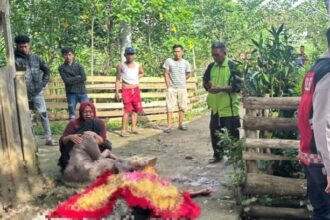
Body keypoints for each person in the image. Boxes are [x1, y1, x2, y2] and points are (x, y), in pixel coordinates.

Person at [58, 102, 155, 182]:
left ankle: (133, 164)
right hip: (78, 161)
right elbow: (99, 158)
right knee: (109, 163)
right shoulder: (76, 126)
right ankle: (134, 166)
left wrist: (95, 135)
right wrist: (69, 137)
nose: (88, 114)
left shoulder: (96, 125)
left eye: (90, 112)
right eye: (85, 112)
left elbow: (102, 140)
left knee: (107, 146)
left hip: (81, 159)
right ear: (80, 112)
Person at [298, 29, 330, 219]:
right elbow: (321, 122)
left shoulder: (315, 69)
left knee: (322, 212)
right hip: (323, 161)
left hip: (311, 155)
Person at [203, 42, 242, 163]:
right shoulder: (211, 66)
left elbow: (237, 87)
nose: (215, 57)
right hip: (215, 108)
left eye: (217, 55)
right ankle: (217, 155)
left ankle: (235, 157)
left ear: (224, 53)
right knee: (215, 132)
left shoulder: (233, 66)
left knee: (232, 133)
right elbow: (205, 82)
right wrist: (207, 85)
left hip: (229, 107)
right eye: (213, 55)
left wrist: (221, 89)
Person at [14, 34, 57, 146]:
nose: (24, 49)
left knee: (43, 114)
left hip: (37, 92)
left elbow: (47, 71)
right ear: (17, 46)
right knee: (27, 116)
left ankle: (48, 138)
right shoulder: (14, 60)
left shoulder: (36, 58)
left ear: (29, 45)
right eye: (21, 47)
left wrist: (42, 84)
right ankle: (30, 140)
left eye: (26, 46)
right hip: (22, 94)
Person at [115, 47, 144, 137]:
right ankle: (123, 130)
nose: (130, 56)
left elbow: (142, 72)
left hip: (135, 89)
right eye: (128, 54)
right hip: (126, 90)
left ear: (134, 55)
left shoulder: (138, 65)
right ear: (125, 55)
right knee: (127, 110)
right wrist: (117, 92)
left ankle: (133, 128)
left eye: (132, 54)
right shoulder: (121, 66)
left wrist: (136, 78)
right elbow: (118, 79)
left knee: (135, 110)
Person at [163, 45, 192, 133]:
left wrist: (182, 80)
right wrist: (168, 86)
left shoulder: (186, 63)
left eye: (179, 51)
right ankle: (169, 126)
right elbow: (166, 73)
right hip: (172, 88)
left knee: (182, 107)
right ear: (173, 52)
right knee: (169, 107)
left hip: (182, 88)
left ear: (182, 52)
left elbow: (188, 74)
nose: (177, 53)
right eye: (175, 51)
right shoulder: (169, 61)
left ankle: (181, 124)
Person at [58, 47, 88, 120]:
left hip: (82, 91)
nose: (68, 57)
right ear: (63, 56)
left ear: (73, 55)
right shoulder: (61, 68)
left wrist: (72, 79)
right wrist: (78, 77)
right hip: (71, 92)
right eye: (65, 55)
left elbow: (84, 77)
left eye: (69, 54)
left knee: (86, 109)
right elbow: (66, 81)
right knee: (72, 113)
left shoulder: (79, 66)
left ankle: (87, 127)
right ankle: (73, 129)